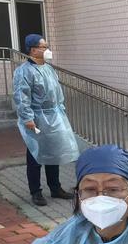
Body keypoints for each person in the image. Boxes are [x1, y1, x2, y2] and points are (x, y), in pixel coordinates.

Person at [13, 34, 79, 207]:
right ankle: (36, 192)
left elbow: (57, 92)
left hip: (54, 116)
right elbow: (21, 96)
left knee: (53, 153)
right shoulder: (24, 71)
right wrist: (27, 118)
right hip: (37, 117)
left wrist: (60, 110)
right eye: (44, 47)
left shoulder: (49, 69)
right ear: (33, 50)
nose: (47, 50)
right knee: (35, 154)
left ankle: (55, 188)